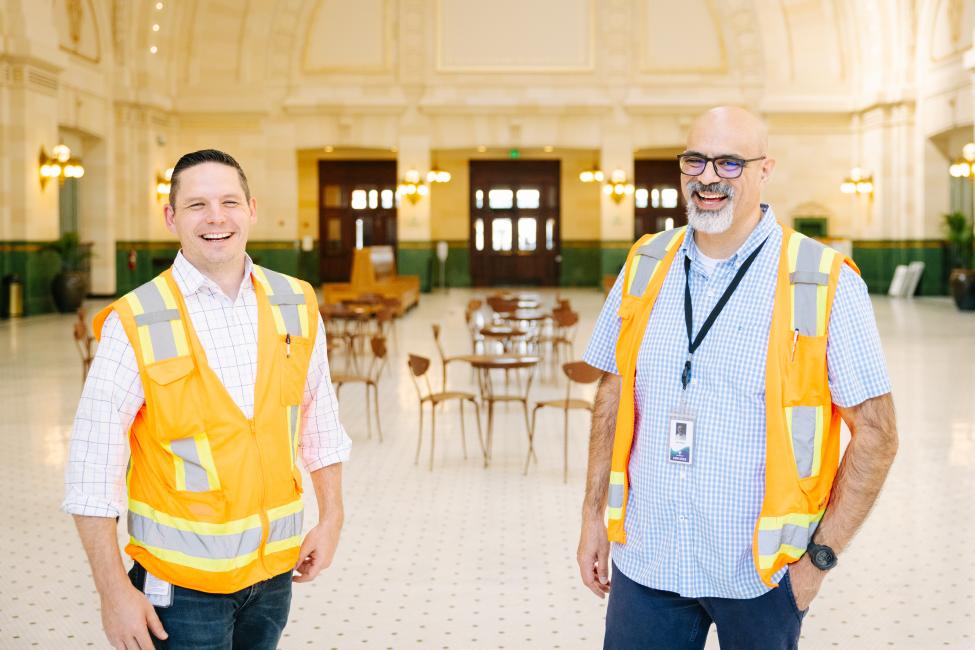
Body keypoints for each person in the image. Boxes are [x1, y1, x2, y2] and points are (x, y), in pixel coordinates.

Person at [577, 107, 898, 649]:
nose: (707, 177)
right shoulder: (644, 263)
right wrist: (592, 517)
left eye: (729, 163)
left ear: (764, 169)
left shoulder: (822, 280)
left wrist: (816, 563)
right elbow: (612, 393)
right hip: (647, 561)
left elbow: (879, 434)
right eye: (695, 160)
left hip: (760, 576)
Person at [63, 149, 351, 650]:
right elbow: (91, 469)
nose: (216, 217)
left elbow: (319, 418)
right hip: (180, 589)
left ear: (252, 209)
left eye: (229, 202)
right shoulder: (135, 320)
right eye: (197, 205)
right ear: (171, 217)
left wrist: (331, 519)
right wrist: (113, 593)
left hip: (275, 574)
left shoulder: (296, 302)